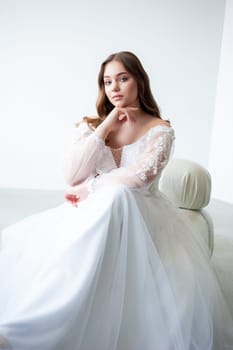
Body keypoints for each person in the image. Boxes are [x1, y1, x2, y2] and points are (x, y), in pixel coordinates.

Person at [0, 51, 233, 350]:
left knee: (120, 194)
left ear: (139, 81)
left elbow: (139, 179)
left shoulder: (160, 130)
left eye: (123, 78)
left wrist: (91, 188)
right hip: (94, 213)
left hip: (142, 215)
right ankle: (32, 324)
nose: (115, 88)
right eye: (107, 81)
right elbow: (71, 176)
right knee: (106, 202)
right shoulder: (93, 125)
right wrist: (106, 126)